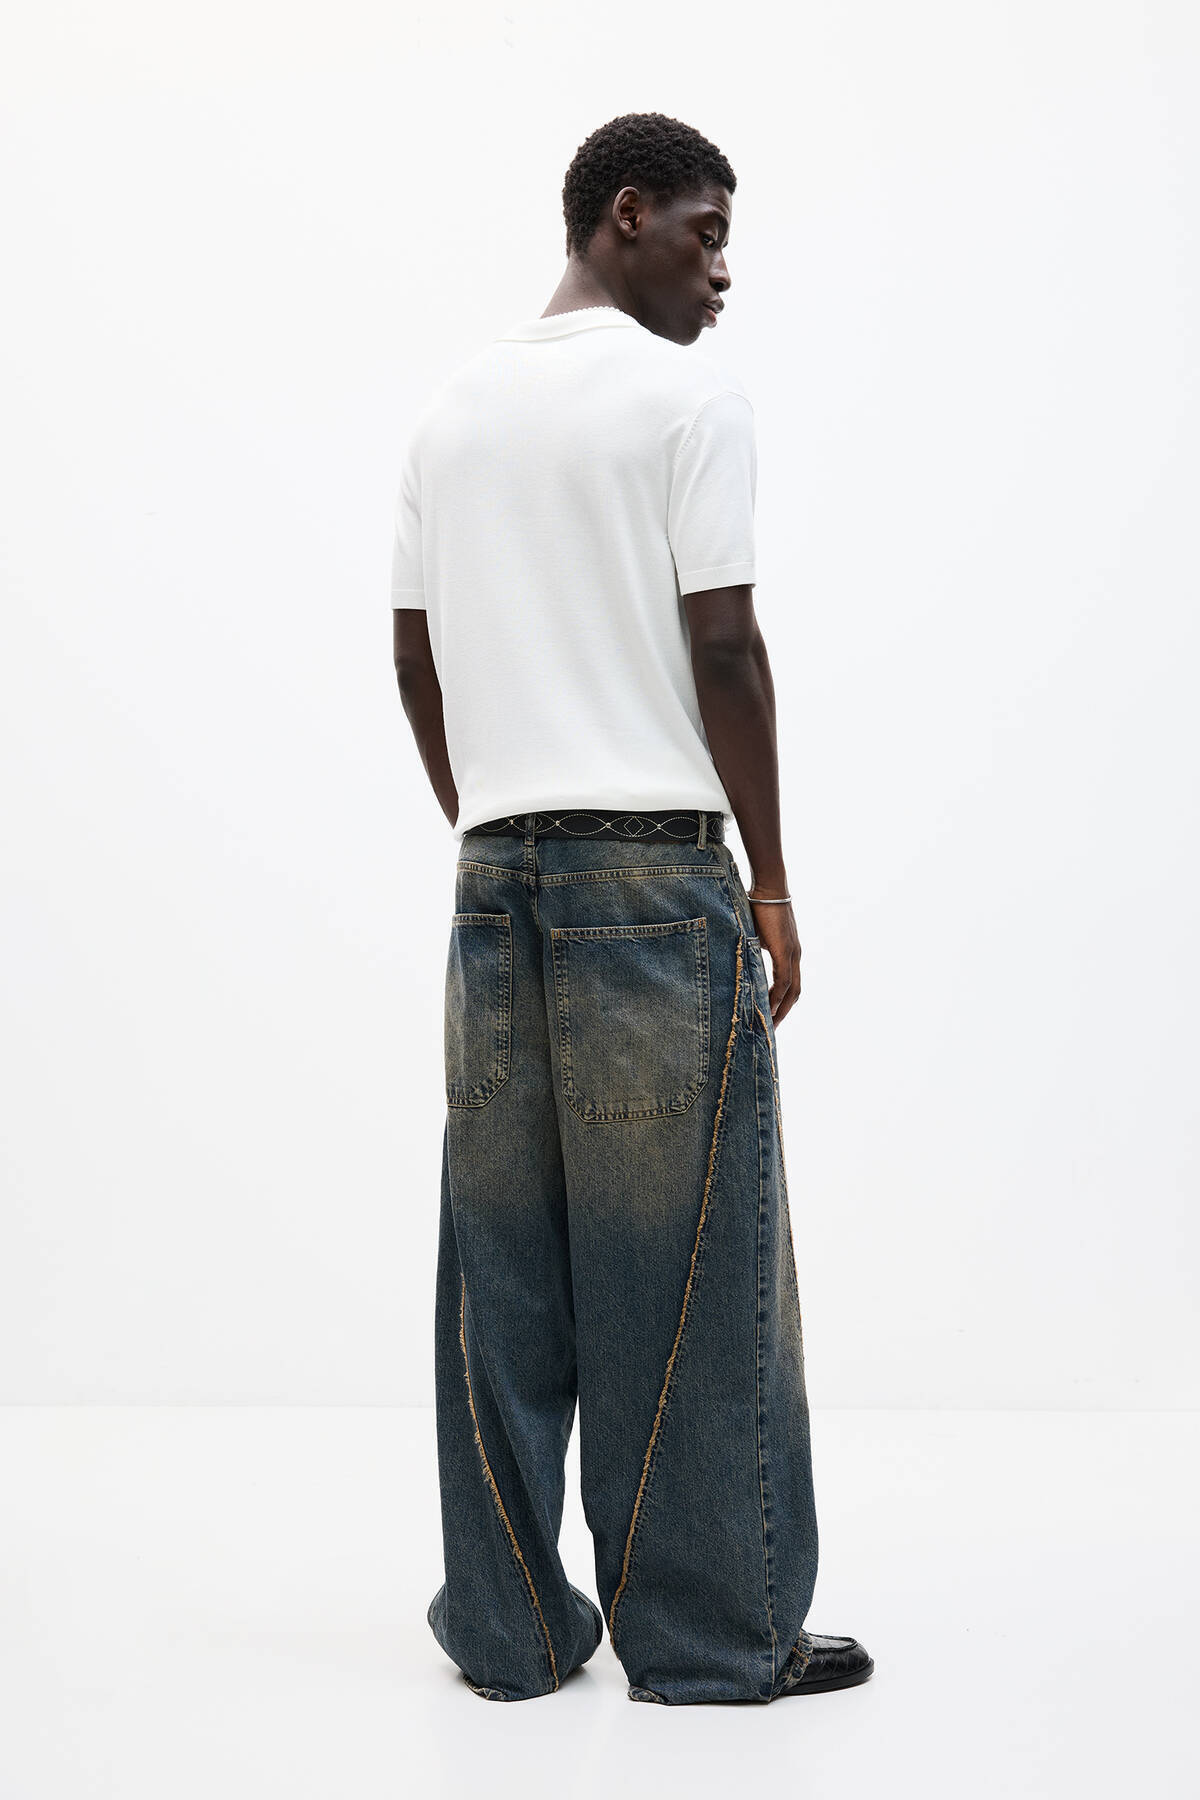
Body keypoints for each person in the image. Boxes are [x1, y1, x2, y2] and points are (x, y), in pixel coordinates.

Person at [391, 111, 872, 1705]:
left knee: (504, 1266)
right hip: (655, 884)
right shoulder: (686, 401)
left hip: (495, 887)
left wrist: (495, 816)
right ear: (626, 213)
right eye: (706, 234)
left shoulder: (451, 412)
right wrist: (773, 881)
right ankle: (711, 1638)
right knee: (689, 1264)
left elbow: (413, 657)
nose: (722, 272)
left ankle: (512, 1632)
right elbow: (725, 646)